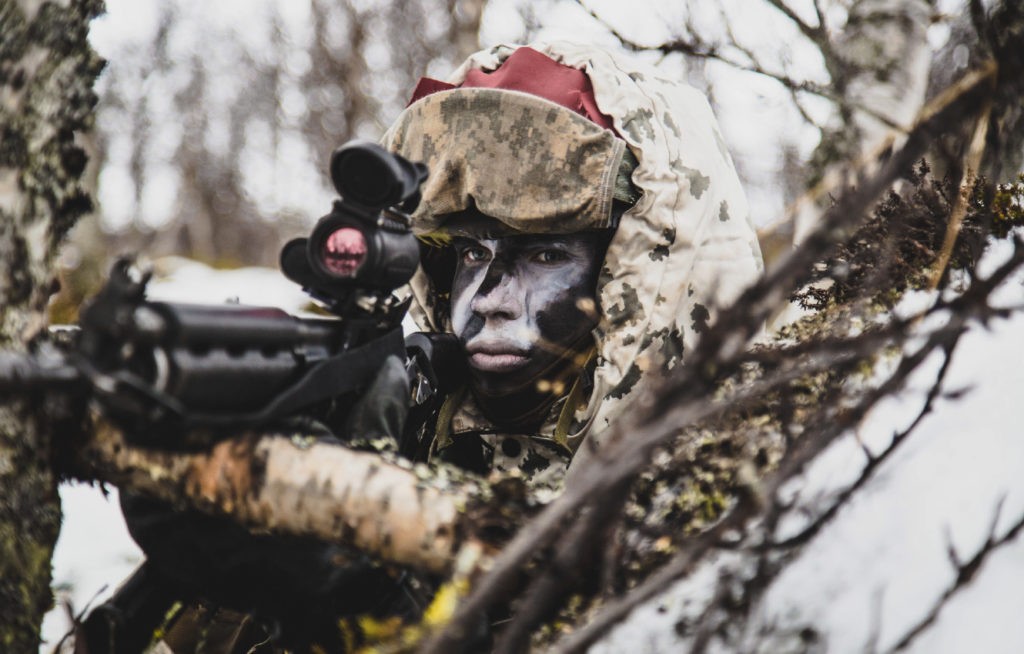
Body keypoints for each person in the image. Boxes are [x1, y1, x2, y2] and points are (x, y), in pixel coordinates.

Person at [104, 41, 763, 653]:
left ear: (640, 273)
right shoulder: (406, 419)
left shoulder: (725, 482)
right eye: (472, 252)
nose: (489, 298)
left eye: (544, 254)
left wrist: (375, 600)